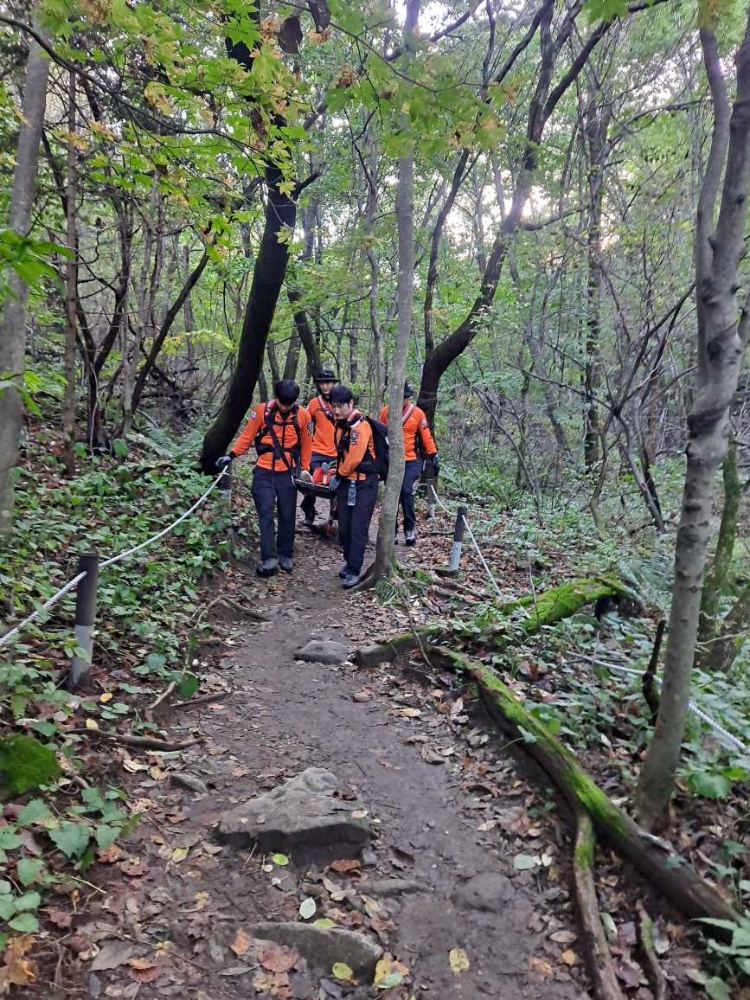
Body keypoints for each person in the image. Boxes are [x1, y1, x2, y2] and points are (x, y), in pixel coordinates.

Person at [217, 379, 312, 577]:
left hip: (288, 472)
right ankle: (268, 558)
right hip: (264, 471)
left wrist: (306, 469)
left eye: (289, 403)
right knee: (266, 513)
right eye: (282, 402)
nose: (285, 407)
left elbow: (306, 445)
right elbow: (247, 436)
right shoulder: (261, 411)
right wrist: (232, 454)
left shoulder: (303, 415)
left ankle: (286, 553)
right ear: (276, 397)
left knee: (287, 514)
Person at [330, 385, 379, 589]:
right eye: (334, 406)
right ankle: (349, 561)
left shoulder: (360, 426)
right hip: (346, 482)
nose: (337, 410)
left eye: (341, 406)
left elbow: (355, 457)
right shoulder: (339, 424)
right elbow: (341, 454)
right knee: (344, 526)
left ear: (350, 404)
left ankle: (354, 569)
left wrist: (339, 474)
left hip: (364, 483)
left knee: (358, 528)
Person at [380, 383, 438, 546]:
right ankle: (392, 530)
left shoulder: (418, 414)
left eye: (405, 397)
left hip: (411, 459)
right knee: (392, 495)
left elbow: (426, 436)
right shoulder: (386, 412)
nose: (403, 400)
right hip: (391, 459)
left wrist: (433, 454)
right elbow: (380, 433)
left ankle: (409, 528)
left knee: (406, 492)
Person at [301, 369, 339, 527]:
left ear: (334, 383)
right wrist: (306, 443)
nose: (325, 386)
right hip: (317, 450)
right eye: (322, 383)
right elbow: (308, 426)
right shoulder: (314, 404)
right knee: (312, 483)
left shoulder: (341, 400)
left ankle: (333, 516)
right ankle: (308, 509)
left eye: (328, 382)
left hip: (337, 452)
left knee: (335, 485)